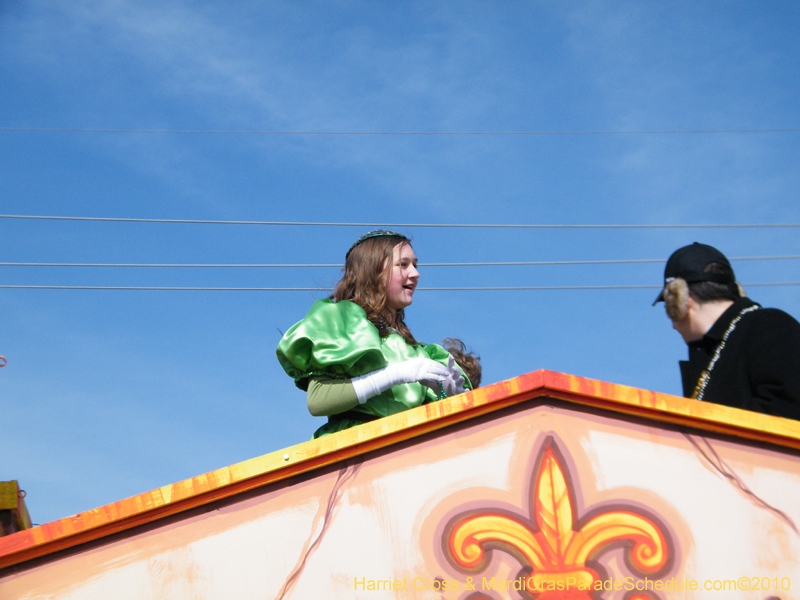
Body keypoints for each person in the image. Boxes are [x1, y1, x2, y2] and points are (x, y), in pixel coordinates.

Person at [277, 231, 471, 438]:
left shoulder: (418, 352)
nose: (415, 273)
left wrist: (452, 396)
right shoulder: (343, 325)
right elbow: (318, 401)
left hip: (406, 452)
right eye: (403, 265)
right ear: (373, 270)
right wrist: (393, 375)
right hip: (354, 452)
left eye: (415, 265)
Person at [653, 242, 800, 420]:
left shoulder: (770, 325)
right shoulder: (723, 345)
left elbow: (788, 410)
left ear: (680, 301)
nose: (673, 325)